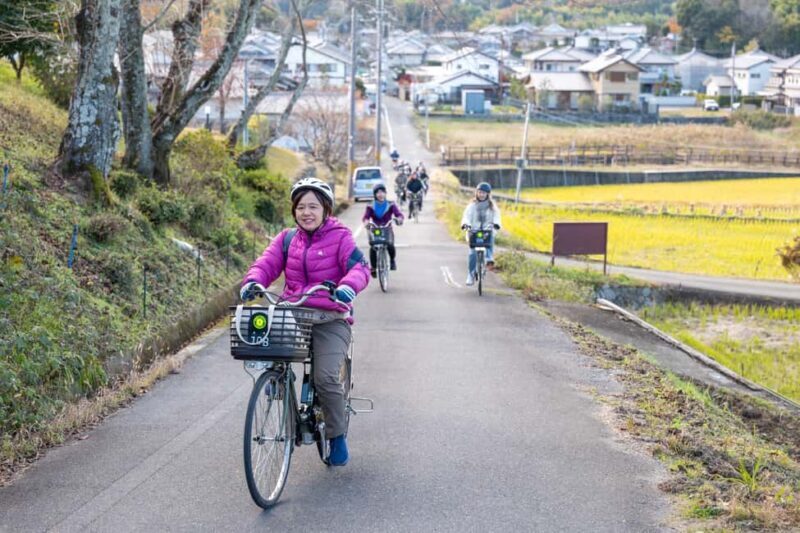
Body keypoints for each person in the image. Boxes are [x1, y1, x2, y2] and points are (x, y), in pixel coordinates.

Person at [239, 178, 370, 466]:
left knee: (324, 378)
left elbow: (360, 267)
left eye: (313, 206)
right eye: (300, 207)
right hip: (293, 312)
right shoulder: (287, 238)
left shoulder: (341, 237)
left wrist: (348, 286)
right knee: (269, 349)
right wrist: (253, 282)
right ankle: (276, 378)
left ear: (325, 209)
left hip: (330, 317)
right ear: (294, 210)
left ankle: (336, 436)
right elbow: (266, 264)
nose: (306, 212)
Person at [460, 182, 501, 286]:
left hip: (487, 231)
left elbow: (497, 216)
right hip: (474, 231)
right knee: (472, 253)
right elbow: (466, 217)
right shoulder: (472, 205)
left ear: (488, 194)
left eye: (484, 193)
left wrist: (496, 224)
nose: (481, 194)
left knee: (490, 237)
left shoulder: (492, 206)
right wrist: (466, 225)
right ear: (476, 193)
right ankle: (471, 274)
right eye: (479, 192)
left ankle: (489, 258)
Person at [362, 183, 404, 276]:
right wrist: (367, 223)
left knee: (390, 245)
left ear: (385, 193)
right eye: (378, 192)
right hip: (376, 230)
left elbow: (399, 214)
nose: (380, 194)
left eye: (382, 192)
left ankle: (392, 260)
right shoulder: (370, 206)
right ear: (375, 195)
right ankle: (373, 268)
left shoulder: (391, 204)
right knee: (373, 247)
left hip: (387, 229)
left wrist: (399, 219)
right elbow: (365, 217)